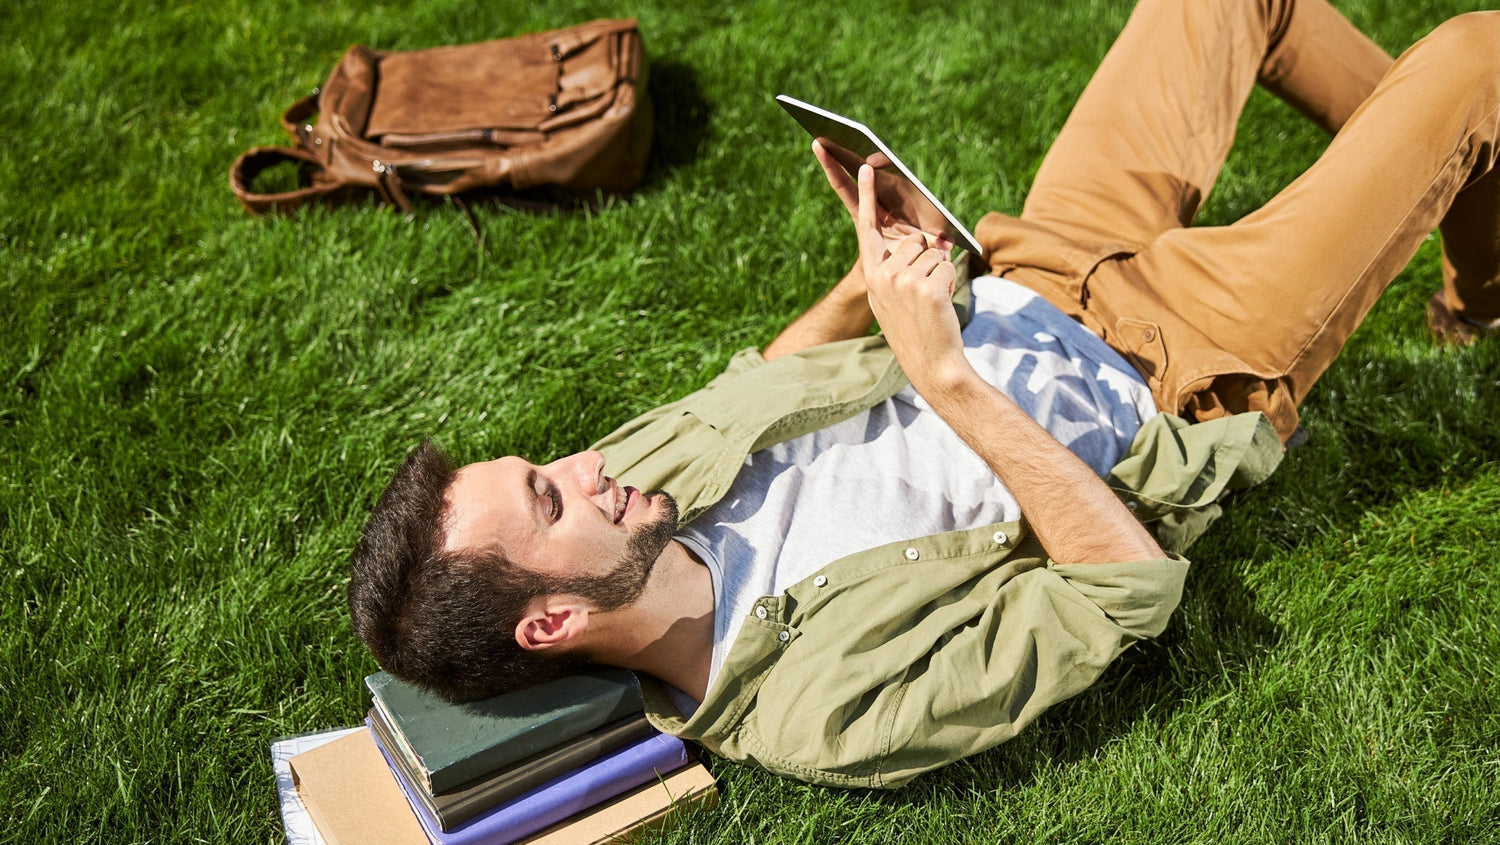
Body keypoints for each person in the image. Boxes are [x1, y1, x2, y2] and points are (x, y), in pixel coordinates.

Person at [347, 0, 1500, 788]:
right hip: (1173, 362)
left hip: (1040, 266)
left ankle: (1474, 237)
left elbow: (759, 379)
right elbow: (1126, 590)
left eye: (543, 467)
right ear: (553, 623)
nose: (585, 465)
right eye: (551, 501)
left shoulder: (632, 504)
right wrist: (941, 374)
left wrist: (865, 282)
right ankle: (1473, 218)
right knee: (1473, 61)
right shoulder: (821, 710)